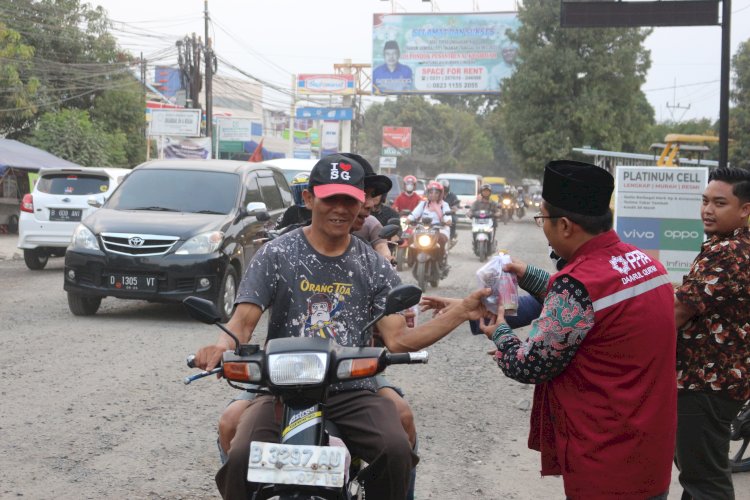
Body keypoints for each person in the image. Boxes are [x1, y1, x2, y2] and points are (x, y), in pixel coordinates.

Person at [194, 154, 486, 499]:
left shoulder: (372, 265)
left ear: (361, 202)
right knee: (242, 457)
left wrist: (462, 311)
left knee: (394, 450)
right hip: (282, 390)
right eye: (330, 198)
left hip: (351, 390)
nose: (340, 208)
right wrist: (221, 346)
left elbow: (399, 340)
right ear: (309, 198)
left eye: (349, 199)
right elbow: (242, 323)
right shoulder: (277, 253)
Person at [425, 160, 677, 499]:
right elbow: (584, 304)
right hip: (649, 445)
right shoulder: (646, 264)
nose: (542, 227)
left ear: (565, 225)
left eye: (542, 219)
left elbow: (532, 363)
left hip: (608, 458)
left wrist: (500, 333)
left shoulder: (578, 285)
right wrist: (527, 274)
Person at [673, 166, 750, 500]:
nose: (707, 210)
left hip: (705, 380)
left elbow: (677, 312)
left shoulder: (726, 253)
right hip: (725, 379)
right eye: (705, 201)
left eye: (719, 203)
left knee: (705, 479)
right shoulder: (736, 247)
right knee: (698, 472)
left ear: (745, 209)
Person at [408, 181, 452, 269]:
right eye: (431, 192)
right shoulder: (423, 203)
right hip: (423, 228)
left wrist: (447, 221)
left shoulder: (444, 205)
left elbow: (447, 216)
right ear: (427, 193)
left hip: (440, 228)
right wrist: (409, 219)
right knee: (411, 237)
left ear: (441, 194)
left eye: (436, 193)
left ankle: (440, 262)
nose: (433, 195)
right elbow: (415, 214)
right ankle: (411, 261)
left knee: (441, 240)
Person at [439, 179, 460, 244]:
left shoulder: (452, 195)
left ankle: (452, 237)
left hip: (449, 213)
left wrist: (455, 208)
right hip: (438, 212)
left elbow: (456, 204)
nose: (443, 190)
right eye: (442, 188)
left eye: (444, 188)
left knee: (453, 220)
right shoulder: (437, 195)